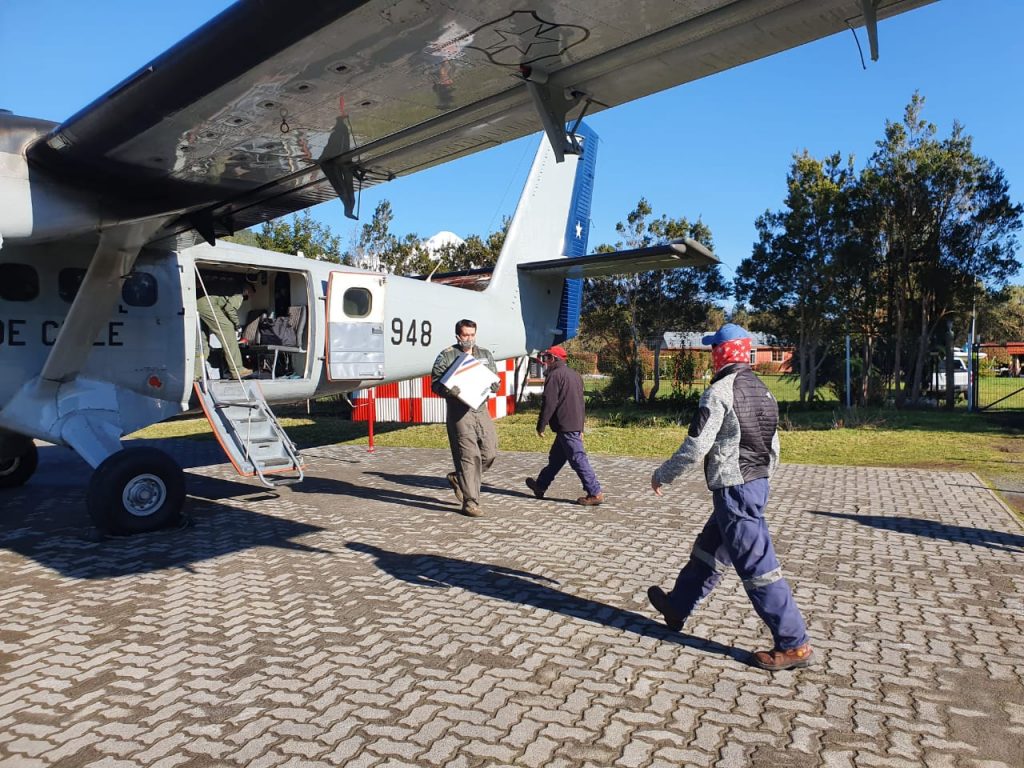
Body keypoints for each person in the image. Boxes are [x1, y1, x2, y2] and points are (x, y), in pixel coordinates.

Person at [647, 323, 814, 671]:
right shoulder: (763, 390)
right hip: (754, 485)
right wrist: (760, 481)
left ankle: (794, 644)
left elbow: (696, 447)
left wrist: (663, 475)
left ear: (720, 353)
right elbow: (774, 446)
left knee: (758, 568)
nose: (711, 354)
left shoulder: (719, 393)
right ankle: (678, 607)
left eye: (713, 349)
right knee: (708, 551)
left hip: (735, 490)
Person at [431, 319, 500, 517]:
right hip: (459, 411)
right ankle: (471, 502)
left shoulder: (485, 354)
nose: (469, 339)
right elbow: (435, 384)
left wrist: (495, 385)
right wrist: (447, 389)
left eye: (472, 335)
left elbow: (493, 378)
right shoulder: (447, 355)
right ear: (458, 336)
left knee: (490, 452)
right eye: (465, 335)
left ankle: (458, 476)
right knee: (469, 456)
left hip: (481, 409)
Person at [525, 345, 603, 506]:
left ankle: (595, 493)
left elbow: (549, 403)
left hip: (566, 426)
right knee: (556, 459)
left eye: (547, 358)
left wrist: (541, 425)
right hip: (571, 425)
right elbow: (581, 403)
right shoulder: (574, 375)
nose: (545, 362)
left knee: (578, 459)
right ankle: (540, 486)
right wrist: (580, 427)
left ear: (554, 359)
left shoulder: (554, 376)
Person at [196, 274, 254, 380]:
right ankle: (237, 370)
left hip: (198, 300)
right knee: (228, 330)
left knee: (202, 341)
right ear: (248, 290)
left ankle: (197, 373)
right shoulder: (239, 293)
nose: (250, 296)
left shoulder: (229, 286)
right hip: (207, 303)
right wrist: (236, 325)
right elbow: (230, 309)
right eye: (251, 293)